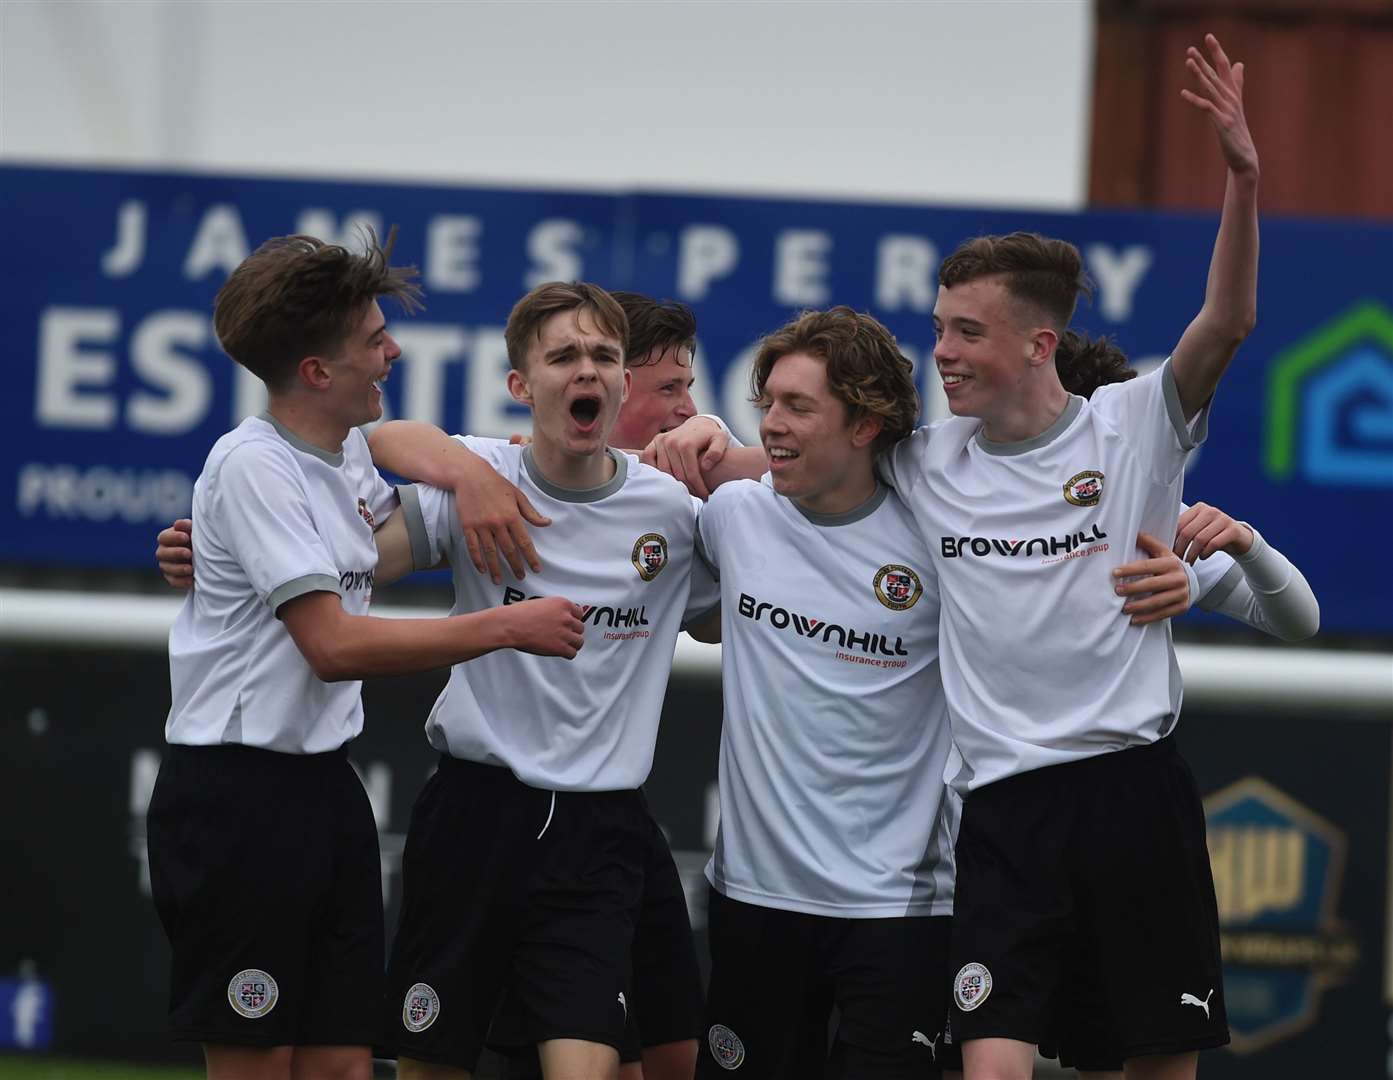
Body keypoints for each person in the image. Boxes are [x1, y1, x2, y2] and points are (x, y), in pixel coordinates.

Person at [651, 33, 1259, 1080]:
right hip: (1000, 812)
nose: (943, 350)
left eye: (967, 332)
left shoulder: (1130, 426)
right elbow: (820, 449)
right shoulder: (927, 462)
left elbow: (1228, 320)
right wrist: (712, 443)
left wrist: (1242, 178)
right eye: (937, 328)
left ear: (1036, 343)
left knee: (1152, 1064)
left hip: (1127, 790)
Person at [146, 234, 584, 1080]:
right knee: (256, 1065)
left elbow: (397, 453)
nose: (391, 351)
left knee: (346, 1066)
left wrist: (469, 476)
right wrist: (502, 626)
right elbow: (332, 645)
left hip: (324, 788)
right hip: (237, 797)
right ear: (316, 371)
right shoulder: (250, 467)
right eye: (374, 338)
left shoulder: (342, 442)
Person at [367, 281, 719, 1080]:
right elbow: (350, 554)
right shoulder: (476, 481)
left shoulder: (670, 513)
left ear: (623, 380)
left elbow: (742, 610)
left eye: (601, 355)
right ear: (522, 386)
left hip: (596, 836)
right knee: (430, 1062)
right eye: (562, 356)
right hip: (472, 814)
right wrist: (220, 559)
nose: (584, 370)